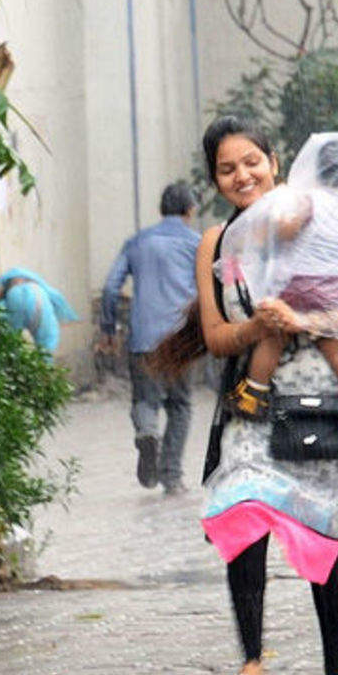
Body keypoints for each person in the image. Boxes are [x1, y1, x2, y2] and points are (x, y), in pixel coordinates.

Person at [152, 116, 338, 675]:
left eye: (251, 161)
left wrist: (311, 316)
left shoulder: (315, 213)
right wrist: (261, 327)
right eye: (227, 169)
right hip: (253, 400)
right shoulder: (215, 243)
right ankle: (253, 661)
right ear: (214, 181)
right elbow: (215, 335)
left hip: (323, 397)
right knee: (237, 513)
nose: (242, 175)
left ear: (275, 161)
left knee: (325, 542)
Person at [220, 133, 338, 476]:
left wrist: (276, 225)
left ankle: (254, 391)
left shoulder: (309, 200)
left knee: (273, 336)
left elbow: (286, 231)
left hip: (297, 288)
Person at [99, 182, 201, 495]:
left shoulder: (137, 242)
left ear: (161, 210)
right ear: (190, 210)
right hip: (180, 340)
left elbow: (110, 288)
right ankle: (171, 477)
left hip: (143, 337)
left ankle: (146, 433)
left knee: (145, 401)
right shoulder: (197, 243)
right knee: (180, 405)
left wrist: (108, 328)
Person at [0, 266, 77, 356]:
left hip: (16, 296)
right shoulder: (32, 281)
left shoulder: (5, 292)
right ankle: (44, 365)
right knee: (47, 344)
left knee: (10, 341)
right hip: (38, 295)